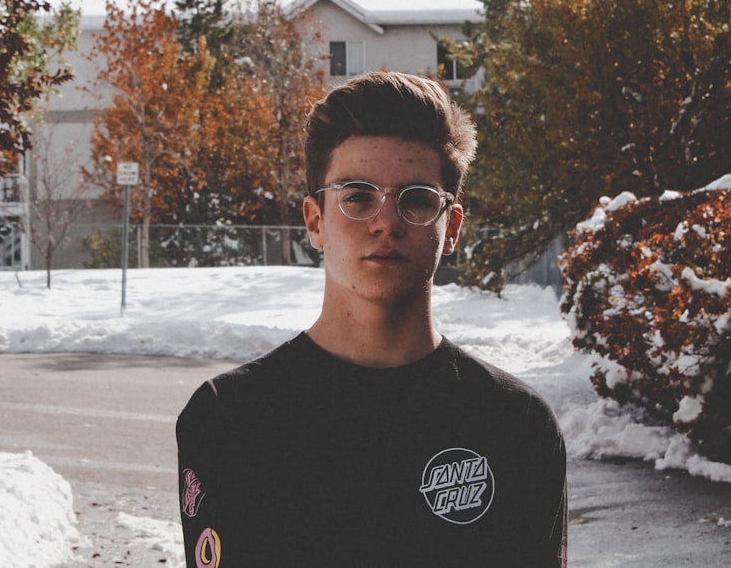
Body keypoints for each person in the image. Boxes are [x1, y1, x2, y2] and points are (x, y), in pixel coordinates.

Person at [176, 71, 568, 567]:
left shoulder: (516, 425)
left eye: (419, 199)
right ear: (315, 221)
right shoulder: (231, 418)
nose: (387, 221)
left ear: (452, 228)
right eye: (358, 195)